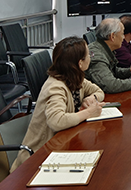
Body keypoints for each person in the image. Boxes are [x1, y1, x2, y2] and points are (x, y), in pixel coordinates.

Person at [11, 37, 105, 171]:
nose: (91, 57)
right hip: (37, 158)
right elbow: (57, 121)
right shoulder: (55, 87)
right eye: (89, 55)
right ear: (80, 63)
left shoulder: (75, 78)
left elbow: (99, 91)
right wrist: (89, 112)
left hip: (60, 147)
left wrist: (91, 98)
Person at [85, 18, 131, 93]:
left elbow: (112, 71)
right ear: (112, 36)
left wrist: (129, 71)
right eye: (122, 34)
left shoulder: (103, 48)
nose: (123, 38)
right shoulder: (97, 55)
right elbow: (110, 85)